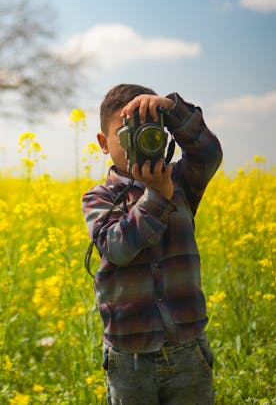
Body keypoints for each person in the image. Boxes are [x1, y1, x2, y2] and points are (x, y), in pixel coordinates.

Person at [82, 84, 222, 405]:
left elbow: (208, 152)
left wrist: (172, 110)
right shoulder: (98, 198)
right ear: (103, 143)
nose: (141, 138)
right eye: (125, 131)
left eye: (149, 128)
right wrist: (158, 195)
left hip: (188, 349)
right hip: (129, 358)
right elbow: (118, 248)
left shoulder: (183, 181)